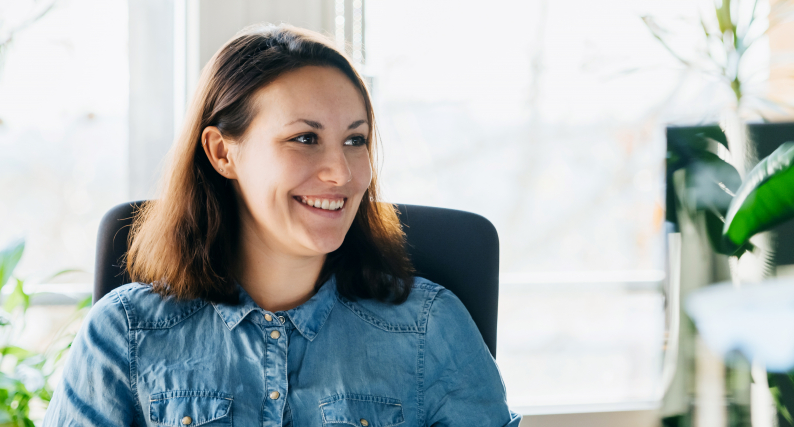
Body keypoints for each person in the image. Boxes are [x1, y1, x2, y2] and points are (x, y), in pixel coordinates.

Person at [44, 23, 520, 427]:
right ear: (222, 153)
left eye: (355, 140)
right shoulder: (123, 333)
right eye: (305, 138)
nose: (342, 172)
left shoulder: (430, 328)